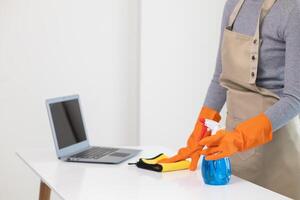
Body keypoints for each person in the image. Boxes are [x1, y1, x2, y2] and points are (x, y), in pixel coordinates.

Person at [159, 0, 300, 199]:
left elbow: (295, 98)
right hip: (232, 148)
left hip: (275, 153)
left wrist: (240, 138)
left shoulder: (292, 10)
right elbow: (220, 78)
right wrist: (198, 135)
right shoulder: (234, 5)